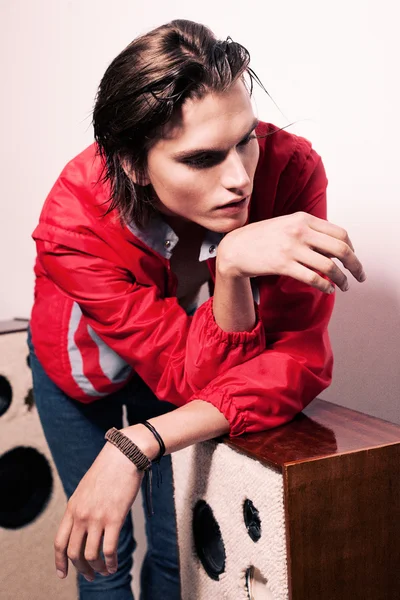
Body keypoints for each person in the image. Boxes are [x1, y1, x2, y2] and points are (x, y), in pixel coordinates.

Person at [28, 18, 366, 600]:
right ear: (133, 165)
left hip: (182, 365)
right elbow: (194, 376)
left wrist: (231, 266)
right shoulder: (73, 221)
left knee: (176, 553)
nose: (239, 178)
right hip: (82, 373)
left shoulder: (289, 171)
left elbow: (293, 359)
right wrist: (123, 448)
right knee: (103, 559)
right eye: (201, 158)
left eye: (246, 138)